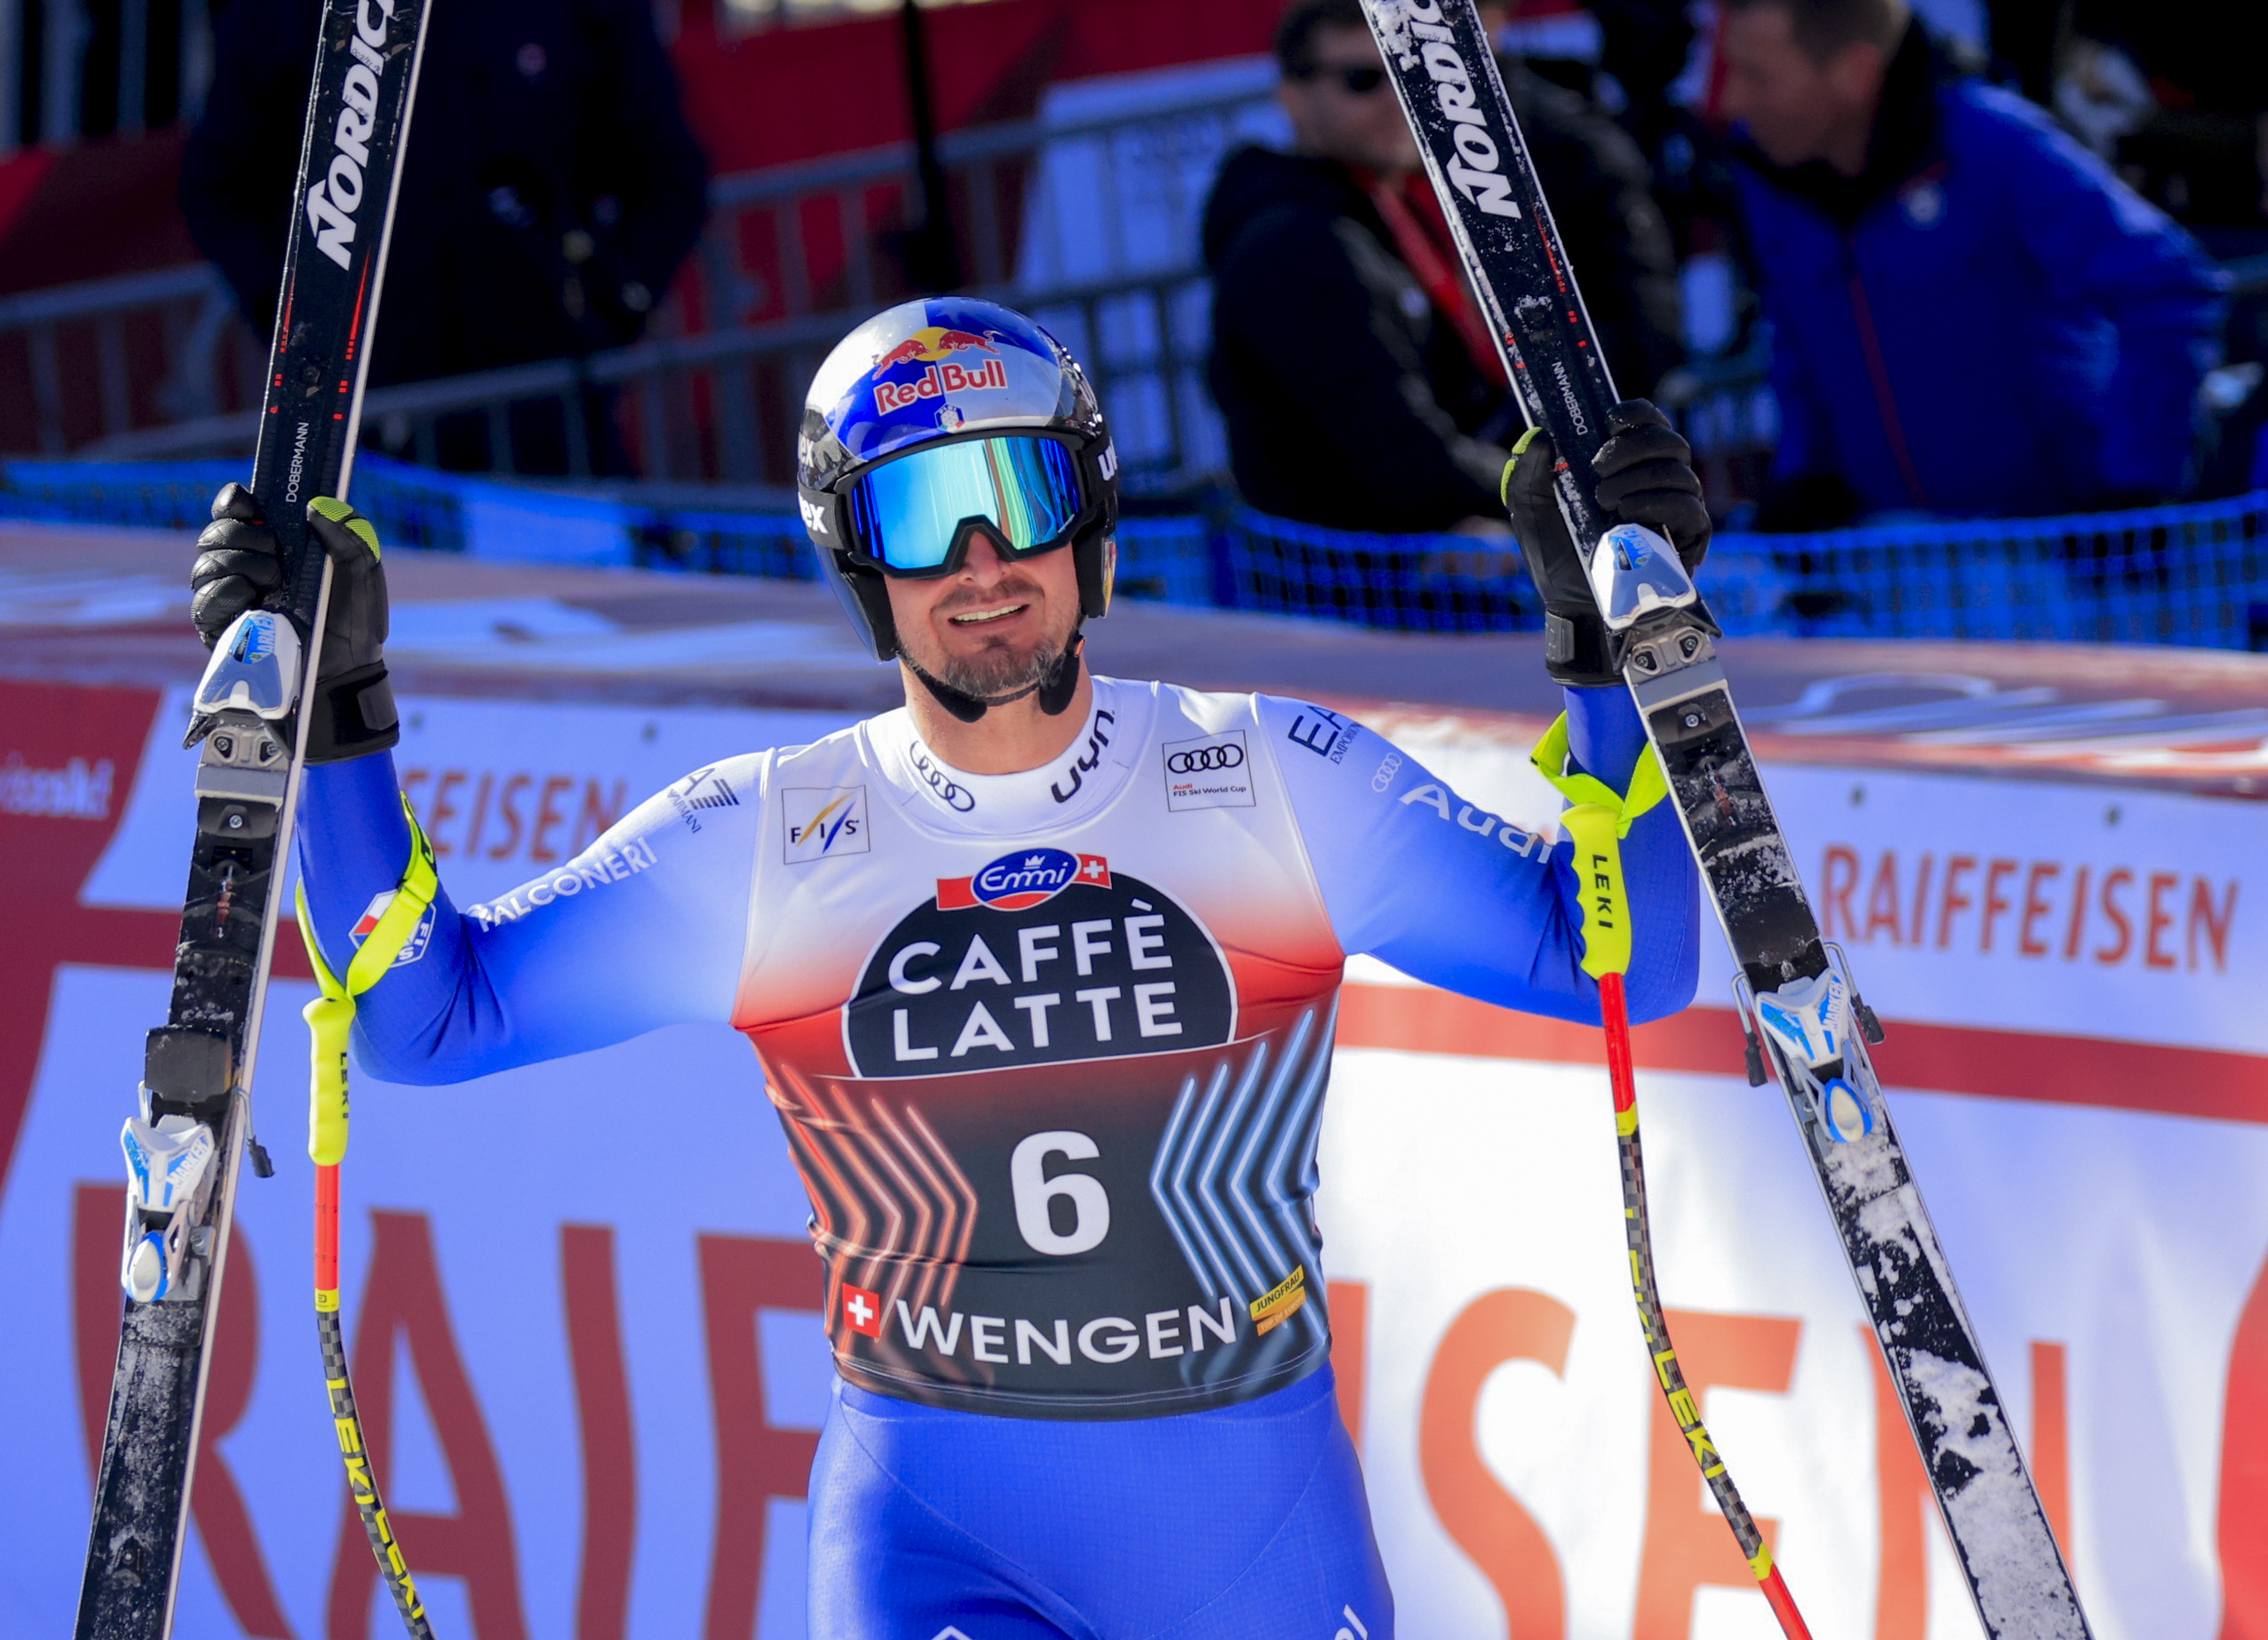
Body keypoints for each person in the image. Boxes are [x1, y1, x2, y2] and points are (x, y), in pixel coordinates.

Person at [193, 296, 1711, 1633]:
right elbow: (427, 1018)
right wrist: (337, 717)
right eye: (922, 518)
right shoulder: (771, 836)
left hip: (1249, 1530)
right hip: (937, 1534)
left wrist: (1607, 653)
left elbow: (1618, 965)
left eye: (1019, 494)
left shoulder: (1267, 778)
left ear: (1089, 511)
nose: (982, 563)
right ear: (858, 558)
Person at [1717, 0, 2227, 527]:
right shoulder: (1770, 175)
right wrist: (1807, 474)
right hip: (1895, 555)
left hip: (2057, 546)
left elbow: (2167, 282)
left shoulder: (1994, 146)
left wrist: (2137, 484)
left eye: (1759, 76)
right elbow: (1796, 334)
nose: (1733, 100)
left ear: (1854, 73)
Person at [1202, 0, 1682, 533]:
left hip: (1403, 566)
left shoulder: (1382, 205)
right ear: (1292, 99)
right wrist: (1572, 489)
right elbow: (1404, 456)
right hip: (1352, 587)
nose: (1397, 99)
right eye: (1362, 79)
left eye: (1409, 72)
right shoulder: (1296, 243)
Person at [182, 0, 708, 470]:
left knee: (579, 573)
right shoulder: (284, 17)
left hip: (551, 406)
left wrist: (611, 305)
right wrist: (307, 326)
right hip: (371, 431)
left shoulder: (574, 12)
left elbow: (668, 172)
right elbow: (219, 188)